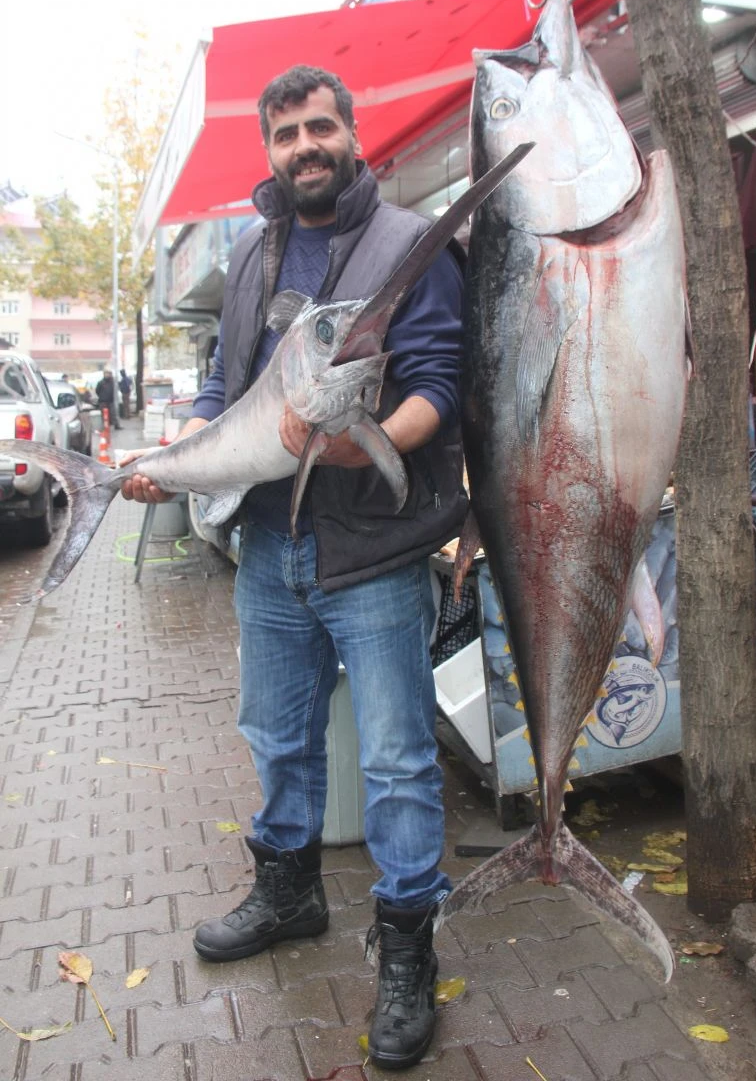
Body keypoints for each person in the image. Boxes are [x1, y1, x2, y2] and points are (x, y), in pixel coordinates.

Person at [120, 65, 467, 1070]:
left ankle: (406, 947)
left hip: (371, 550)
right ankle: (290, 891)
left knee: (399, 760)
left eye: (321, 127)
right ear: (269, 150)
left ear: (350, 133)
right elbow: (224, 388)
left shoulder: (409, 244)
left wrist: (361, 445)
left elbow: (439, 386)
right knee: (275, 735)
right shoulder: (248, 250)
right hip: (269, 546)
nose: (304, 146)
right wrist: (175, 458)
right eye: (286, 134)